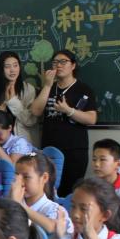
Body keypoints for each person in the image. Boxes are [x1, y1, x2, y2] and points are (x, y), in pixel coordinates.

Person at [30, 50, 98, 197]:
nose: (58, 65)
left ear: (73, 65)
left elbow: (91, 119)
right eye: (55, 62)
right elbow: (35, 111)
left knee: (71, 192)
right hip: (49, 149)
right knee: (49, 191)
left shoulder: (83, 89)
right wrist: (47, 85)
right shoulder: (49, 87)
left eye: (63, 62)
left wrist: (69, 110)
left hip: (75, 150)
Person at [0, 51, 39, 145]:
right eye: (7, 66)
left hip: (23, 142)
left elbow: (30, 120)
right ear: (1, 69)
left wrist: (13, 100)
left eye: (15, 65)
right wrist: (1, 108)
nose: (12, 70)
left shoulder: (28, 89)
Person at [11, 153, 70, 235]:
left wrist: (21, 206)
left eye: (26, 177)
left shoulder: (53, 209)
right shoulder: (13, 201)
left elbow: (53, 227)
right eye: (17, 176)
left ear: (44, 178)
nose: (20, 182)